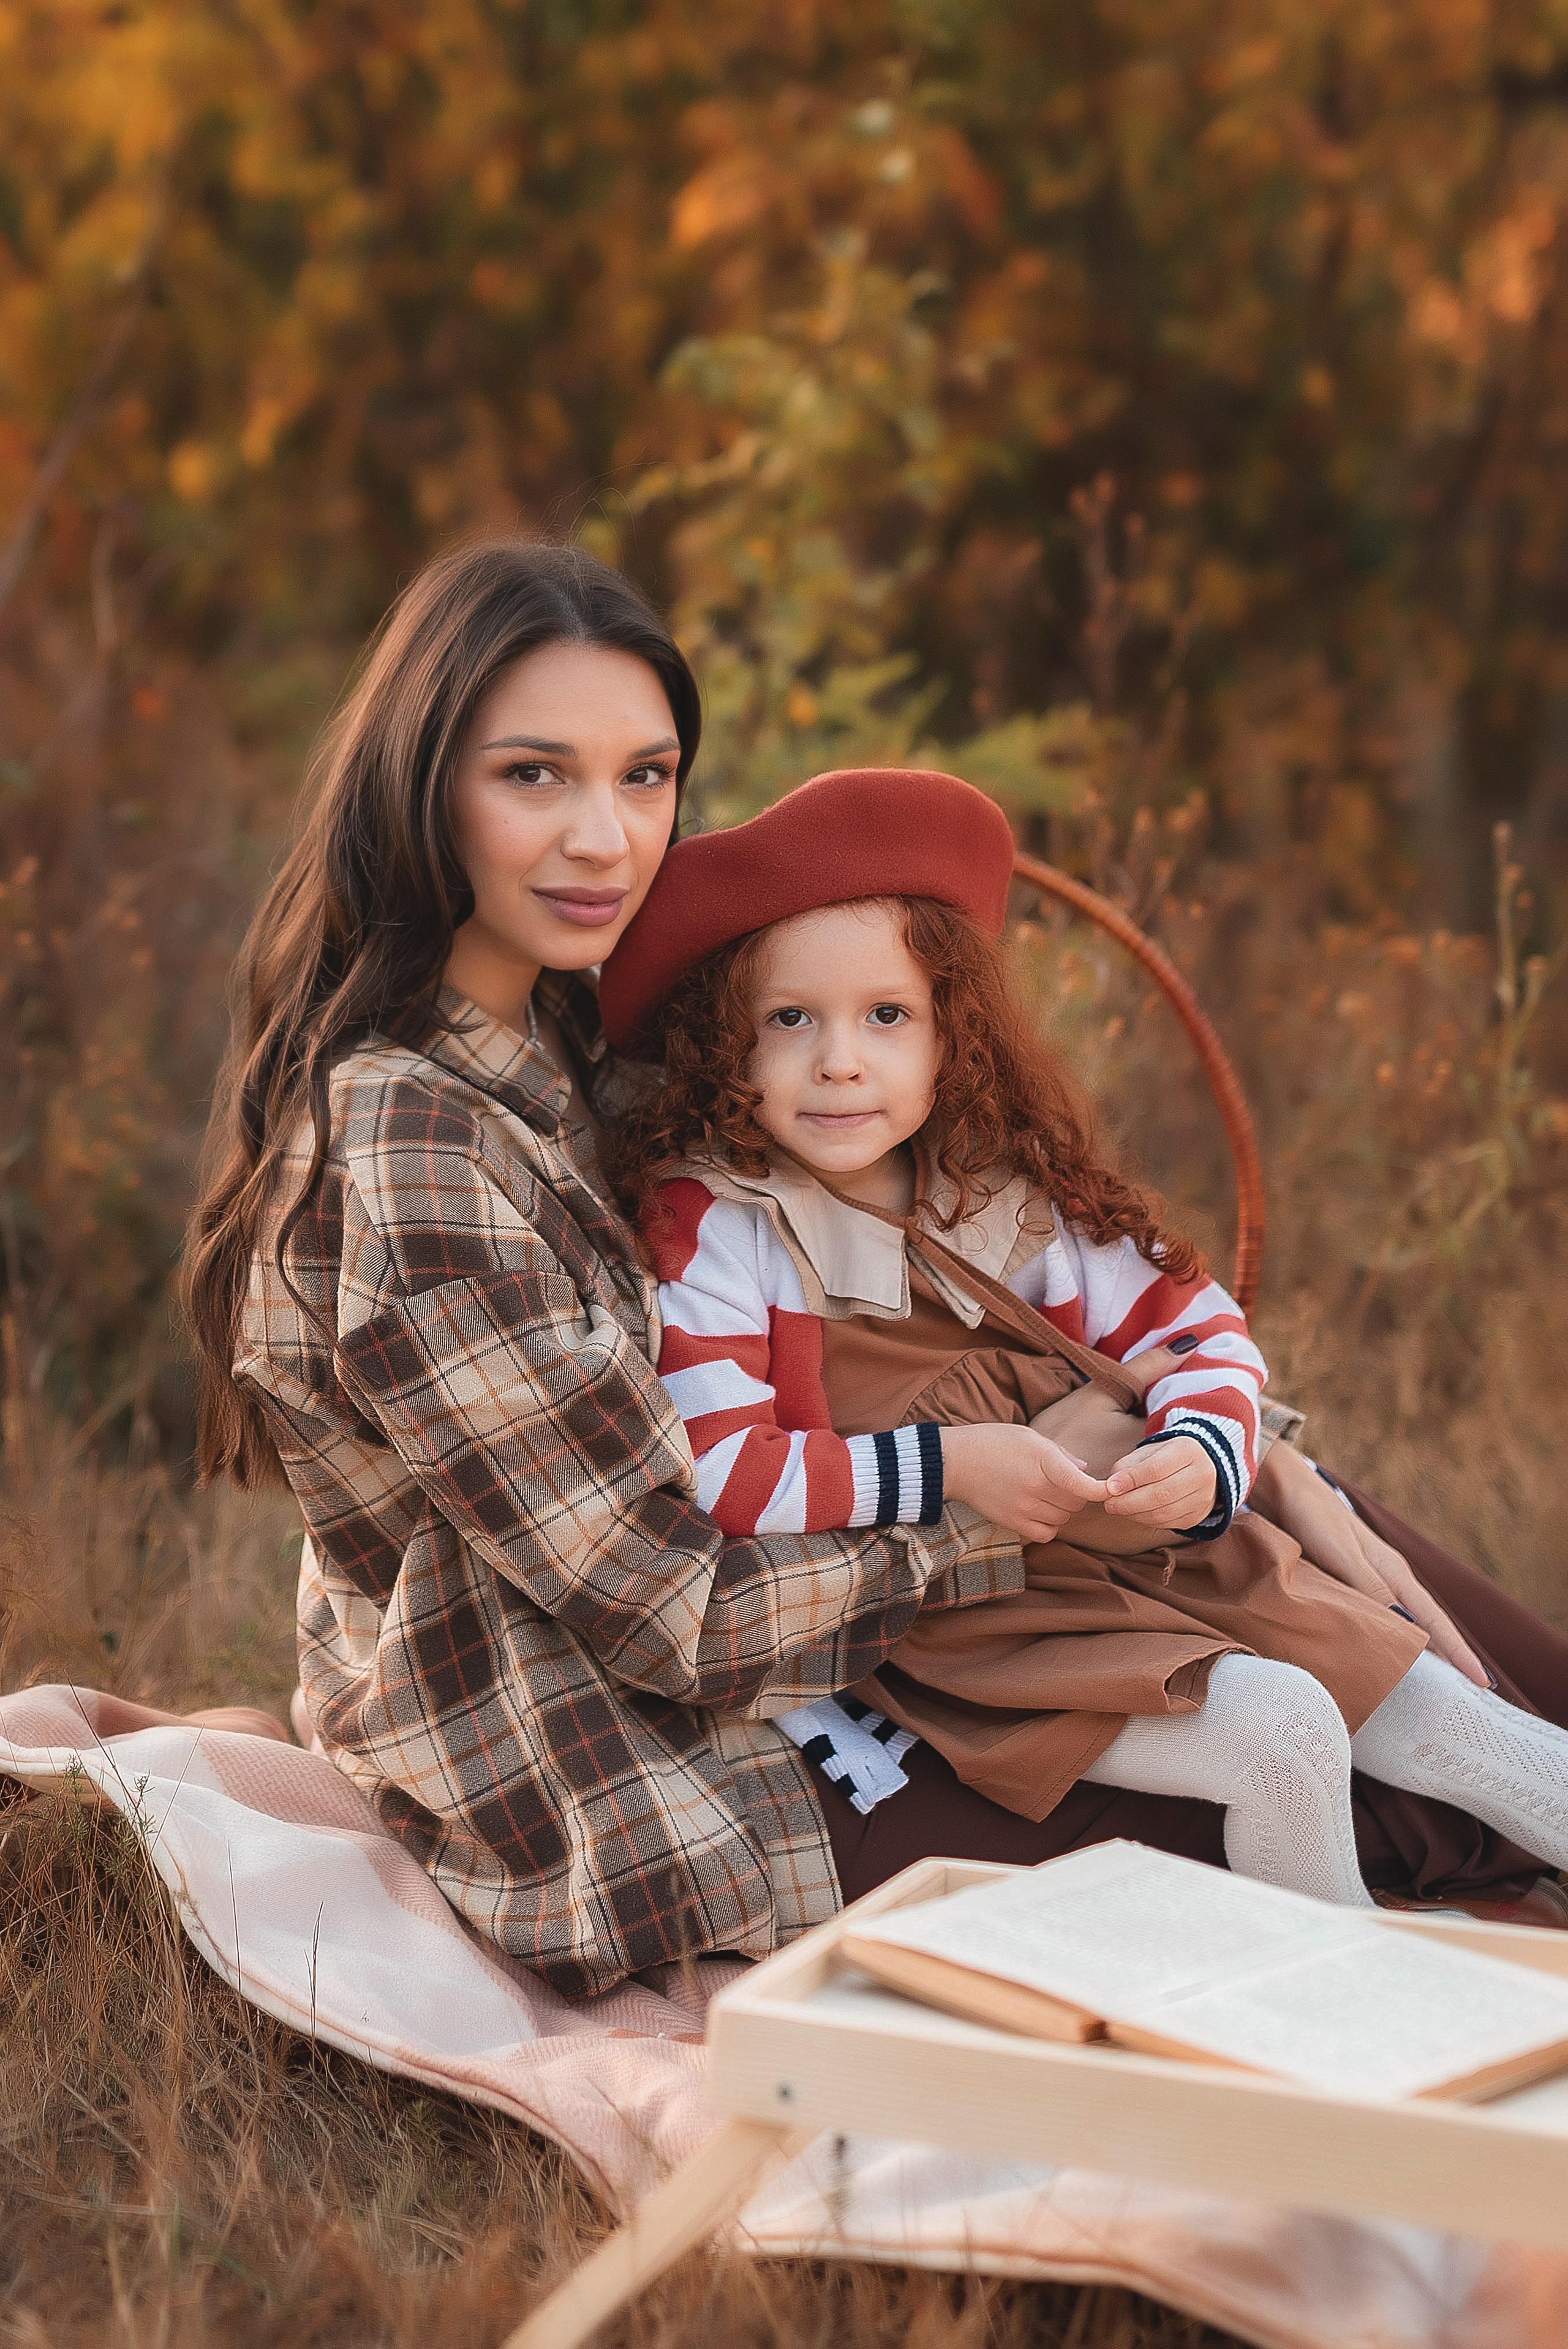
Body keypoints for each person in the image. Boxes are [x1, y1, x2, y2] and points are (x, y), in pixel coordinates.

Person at [182, 537, 1568, 2002]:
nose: (605, 838)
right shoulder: (412, 1149)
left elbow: (924, 1289)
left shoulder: (568, 1035)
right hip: (660, 1751)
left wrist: (1241, 1456)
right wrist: (1007, 1486)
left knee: (1408, 1613)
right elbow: (671, 1611)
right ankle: (1360, 2043)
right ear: (421, 782)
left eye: (642, 776)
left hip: (850, 1606)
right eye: (535, 775)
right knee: (1347, 1768)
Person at [599, 766, 1568, 1911]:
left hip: (1149, 1542)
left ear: (954, 1030)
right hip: (969, 1610)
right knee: (1283, 1735)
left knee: (1459, 1723)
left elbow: (1198, 1330)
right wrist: (957, 1465)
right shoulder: (723, 1222)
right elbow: (726, 1471)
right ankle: (1320, 2032)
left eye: (887, 1015)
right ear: (724, 1041)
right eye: (789, 1019)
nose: (840, 1060)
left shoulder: (1003, 1188)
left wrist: (1204, 1454)